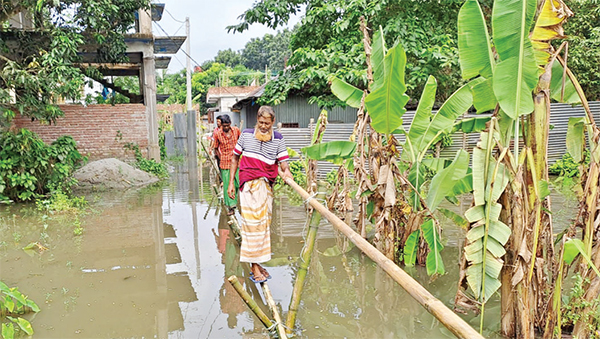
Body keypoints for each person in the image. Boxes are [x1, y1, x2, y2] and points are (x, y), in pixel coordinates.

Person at [228, 106, 294, 283]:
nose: (264, 126)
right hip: (248, 185)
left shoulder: (278, 139)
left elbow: (283, 164)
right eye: (261, 122)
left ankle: (255, 264)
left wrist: (287, 173)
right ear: (257, 120)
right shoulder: (246, 135)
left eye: (267, 123)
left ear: (273, 122)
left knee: (264, 226)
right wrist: (230, 183)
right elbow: (235, 158)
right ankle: (254, 267)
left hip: (266, 187)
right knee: (252, 225)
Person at [213, 114, 241, 215]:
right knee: (227, 185)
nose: (226, 128)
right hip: (225, 162)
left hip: (237, 161)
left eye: (227, 125)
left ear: (230, 124)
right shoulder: (218, 134)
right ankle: (231, 206)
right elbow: (215, 148)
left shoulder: (236, 131)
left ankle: (235, 200)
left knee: (237, 182)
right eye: (224, 126)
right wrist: (220, 157)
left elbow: (241, 142)